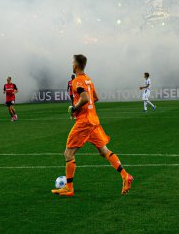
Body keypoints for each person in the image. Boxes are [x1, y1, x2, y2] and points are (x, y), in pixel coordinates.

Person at [52, 54, 133, 197]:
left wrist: (75, 108)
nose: (72, 65)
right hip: (94, 120)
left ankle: (69, 189)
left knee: (68, 153)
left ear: (76, 66)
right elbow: (95, 98)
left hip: (84, 122)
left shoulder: (77, 81)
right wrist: (84, 108)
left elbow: (85, 98)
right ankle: (125, 175)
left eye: (72, 63)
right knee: (104, 151)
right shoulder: (88, 79)